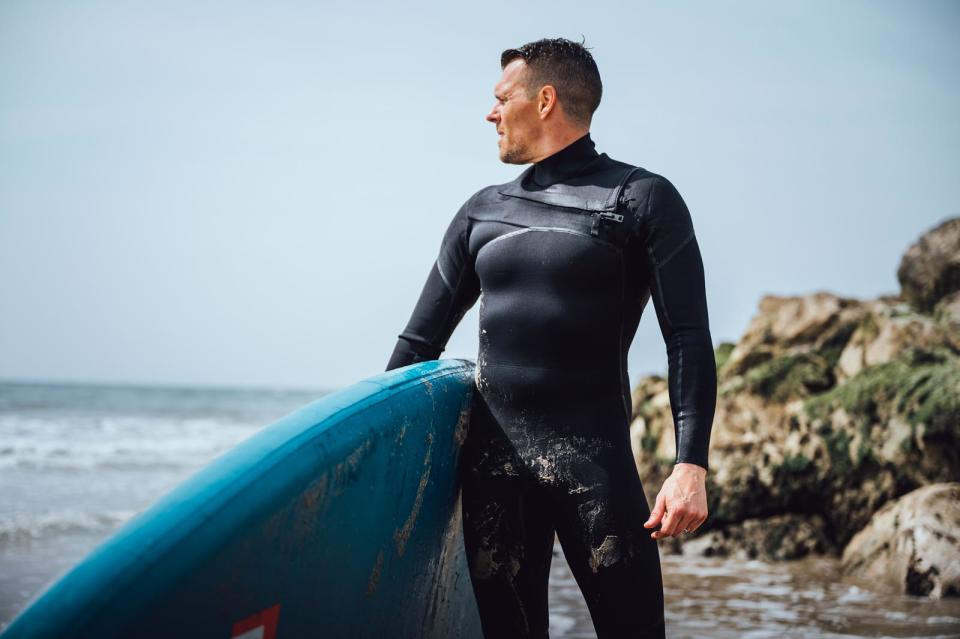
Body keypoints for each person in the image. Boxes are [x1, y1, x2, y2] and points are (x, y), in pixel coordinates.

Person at [386, 37, 716, 639]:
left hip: (596, 470)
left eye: (500, 98)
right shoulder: (481, 211)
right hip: (493, 479)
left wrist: (689, 465)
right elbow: (416, 346)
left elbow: (688, 338)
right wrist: (376, 461)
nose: (490, 113)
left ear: (544, 100)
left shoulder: (640, 199)